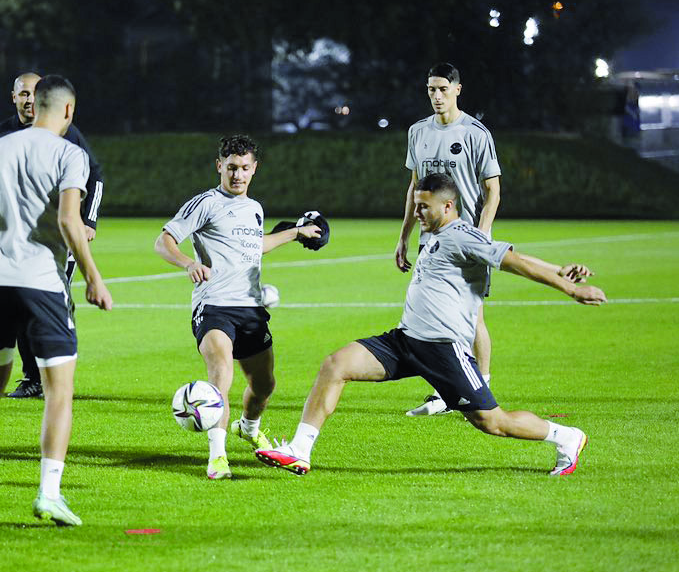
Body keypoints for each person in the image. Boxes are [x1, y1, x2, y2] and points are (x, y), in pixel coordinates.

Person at [256, 172, 604, 477]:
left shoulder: (461, 235)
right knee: (336, 365)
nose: (417, 213)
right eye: (416, 205)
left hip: (444, 350)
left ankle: (566, 437)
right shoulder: (437, 235)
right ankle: (299, 451)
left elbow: (511, 261)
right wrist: (559, 268)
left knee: (494, 423)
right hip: (405, 342)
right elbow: (510, 252)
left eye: (424, 206)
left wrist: (570, 288)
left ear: (448, 207)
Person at [0, 75, 113, 527]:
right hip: (41, 282)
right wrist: (93, 277)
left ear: (34, 103)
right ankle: (48, 494)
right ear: (67, 111)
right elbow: (68, 219)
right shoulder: (70, 153)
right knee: (59, 393)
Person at [154, 135, 322, 480]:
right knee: (220, 376)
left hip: (251, 308)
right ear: (219, 166)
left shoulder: (255, 208)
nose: (238, 175)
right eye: (231, 167)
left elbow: (253, 247)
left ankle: (248, 426)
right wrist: (188, 263)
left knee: (264, 385)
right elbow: (164, 241)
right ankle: (218, 457)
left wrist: (296, 232)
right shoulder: (205, 203)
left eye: (245, 168)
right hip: (213, 305)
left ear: (254, 169)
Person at [0, 71, 106, 401]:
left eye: (32, 93)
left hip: (50, 247)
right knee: (23, 308)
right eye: (22, 94)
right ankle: (35, 377)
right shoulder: (1, 135)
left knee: (50, 303)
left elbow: (94, 176)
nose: (27, 100)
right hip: (13, 253)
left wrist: (88, 220)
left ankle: (52, 374)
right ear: (15, 98)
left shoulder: (68, 138)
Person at [394, 63, 501, 417]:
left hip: (466, 241)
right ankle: (444, 392)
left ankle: (480, 386)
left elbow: (493, 190)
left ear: (457, 89)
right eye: (430, 90)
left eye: (442, 89)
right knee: (433, 316)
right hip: (430, 240)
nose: (436, 96)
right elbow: (415, 187)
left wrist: (481, 237)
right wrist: (404, 236)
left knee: (472, 317)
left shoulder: (475, 132)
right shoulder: (418, 132)